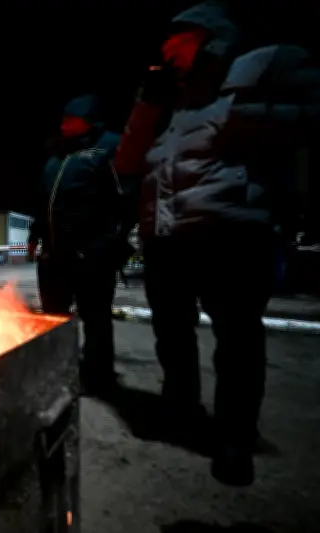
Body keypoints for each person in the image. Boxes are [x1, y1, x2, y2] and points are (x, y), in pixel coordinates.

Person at [114, 0, 320, 486]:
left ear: (209, 36)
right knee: (173, 333)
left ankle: (234, 438)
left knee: (237, 341)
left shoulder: (260, 70)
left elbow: (309, 113)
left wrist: (240, 116)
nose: (165, 52)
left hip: (230, 231)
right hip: (167, 239)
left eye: (176, 41)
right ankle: (180, 407)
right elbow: (126, 163)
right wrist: (147, 103)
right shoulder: (168, 106)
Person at [28, 94, 131, 396]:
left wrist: (111, 242)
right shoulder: (57, 157)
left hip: (91, 252)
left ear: (89, 120)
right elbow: (44, 201)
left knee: (95, 317)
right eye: (63, 119)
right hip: (54, 254)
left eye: (71, 119)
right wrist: (36, 234)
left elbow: (123, 197)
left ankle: (99, 378)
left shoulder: (108, 148)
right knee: (54, 317)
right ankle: (58, 368)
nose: (64, 124)